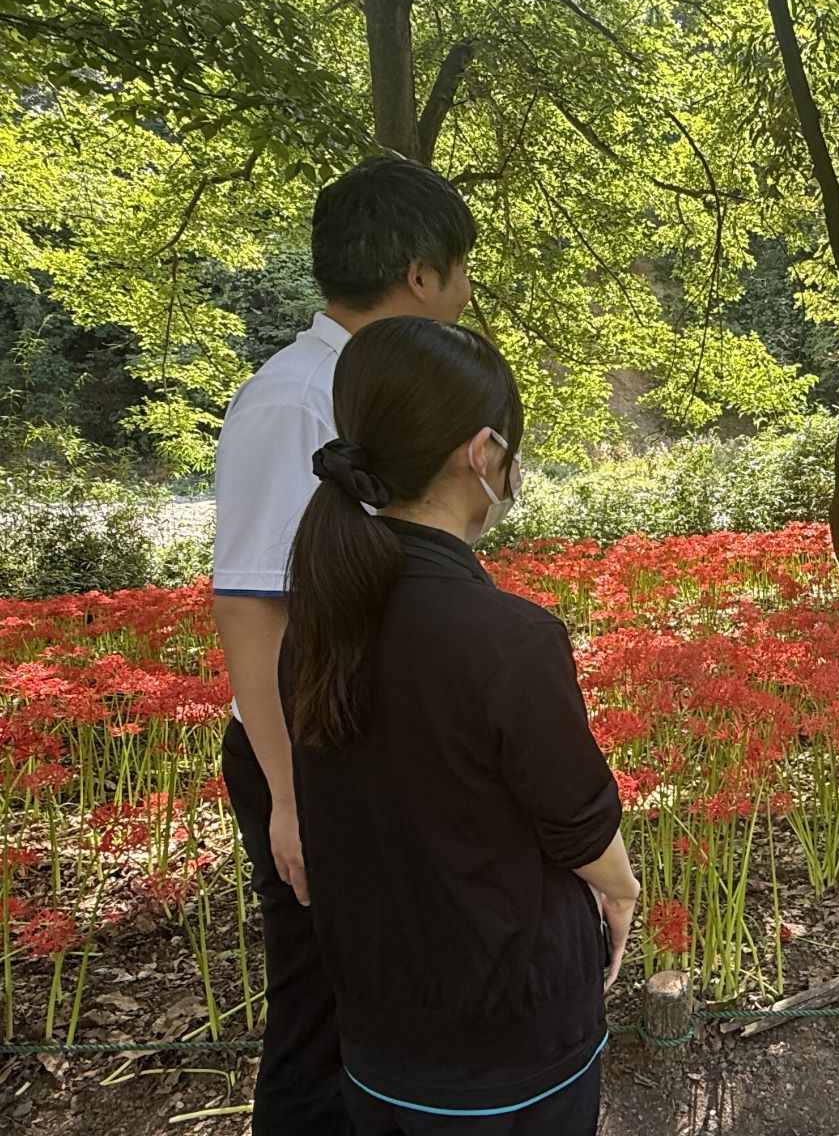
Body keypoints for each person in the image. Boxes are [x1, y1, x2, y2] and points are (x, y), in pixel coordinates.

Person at [281, 315, 639, 1135]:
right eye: (512, 451)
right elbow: (578, 821)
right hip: (509, 1035)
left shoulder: (319, 619)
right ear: (483, 456)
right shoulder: (508, 637)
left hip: (377, 1029)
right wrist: (621, 893)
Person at [212, 155, 477, 1132]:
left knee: (370, 996)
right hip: (310, 754)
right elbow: (250, 607)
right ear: (419, 275)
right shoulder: (293, 400)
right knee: (318, 1014)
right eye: (460, 271)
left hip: (362, 738)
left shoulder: (374, 390)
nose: (464, 293)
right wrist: (290, 799)